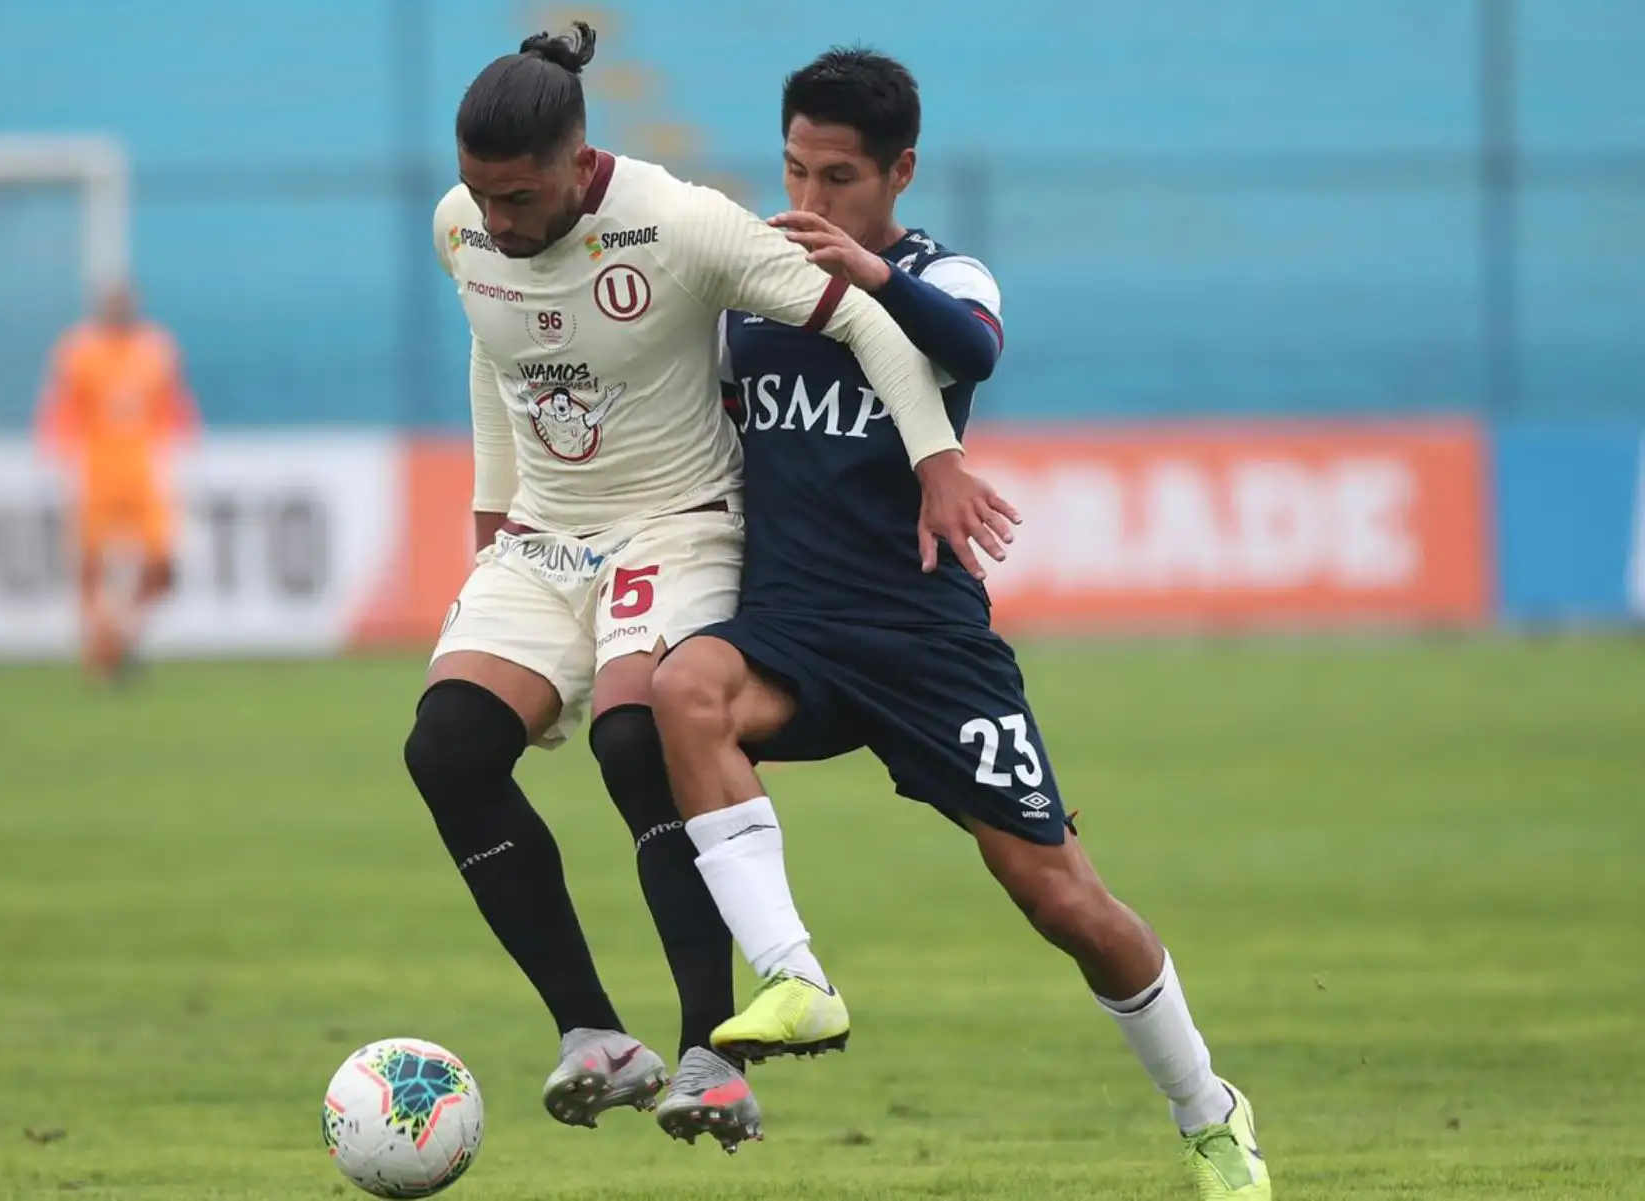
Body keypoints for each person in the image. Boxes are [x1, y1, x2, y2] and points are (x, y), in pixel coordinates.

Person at [650, 48, 1273, 1197]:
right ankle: (794, 976)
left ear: (901, 172)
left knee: (1063, 900)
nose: (809, 199)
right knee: (682, 692)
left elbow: (974, 346)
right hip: (790, 630)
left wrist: (871, 277)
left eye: (839, 177)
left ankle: (1208, 1110)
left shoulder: (945, 274)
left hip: (926, 646)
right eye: (794, 170)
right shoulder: (751, 286)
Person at [406, 24, 1017, 1154]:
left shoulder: (681, 222)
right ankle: (593, 1032)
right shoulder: (465, 223)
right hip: (544, 538)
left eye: (518, 196)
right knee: (446, 749)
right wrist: (491, 509)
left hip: (678, 520)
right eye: (479, 194)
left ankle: (710, 1053)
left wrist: (938, 459)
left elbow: (868, 320)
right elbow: (495, 344)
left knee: (633, 737)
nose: (496, 219)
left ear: (578, 163)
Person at [35, 282, 198, 684]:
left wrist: (185, 446)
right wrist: (56, 454)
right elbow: (62, 407)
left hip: (144, 472)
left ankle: (119, 632)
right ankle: (99, 645)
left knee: (163, 568)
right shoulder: (79, 351)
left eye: (125, 303)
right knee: (89, 564)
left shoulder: (157, 348)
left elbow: (174, 403)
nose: (120, 310)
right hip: (96, 472)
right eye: (112, 303)